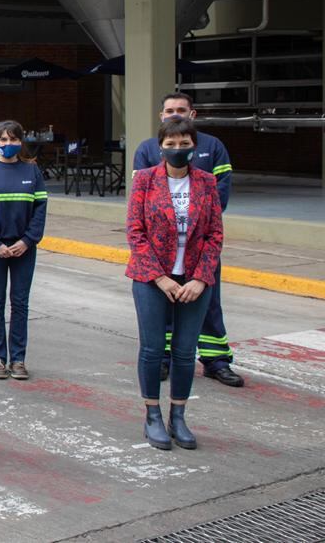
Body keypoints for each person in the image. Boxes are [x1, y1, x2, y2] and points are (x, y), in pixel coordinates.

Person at [132, 92, 241, 387]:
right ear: (161, 116)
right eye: (169, 110)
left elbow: (220, 192)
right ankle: (164, 359)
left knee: (209, 305)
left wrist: (197, 223)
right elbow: (139, 210)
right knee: (163, 309)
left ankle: (216, 361)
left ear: (192, 114)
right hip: (161, 254)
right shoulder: (147, 149)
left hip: (199, 247)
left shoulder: (213, 146)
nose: (175, 114)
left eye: (181, 109)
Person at [126, 118, 222, 450]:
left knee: (184, 351)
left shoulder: (206, 182)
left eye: (184, 143)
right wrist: (160, 277)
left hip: (195, 281)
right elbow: (135, 232)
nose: (177, 149)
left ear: (194, 145)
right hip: (151, 278)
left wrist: (200, 278)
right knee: (153, 349)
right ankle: (152, 415)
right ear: (161, 147)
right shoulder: (144, 180)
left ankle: (178, 416)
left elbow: (215, 235)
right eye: (171, 144)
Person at [0, 120, 47, 380]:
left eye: (13, 139)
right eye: (3, 139)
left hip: (24, 249)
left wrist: (27, 241)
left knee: (20, 303)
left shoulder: (32, 171)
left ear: (20, 142)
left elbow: (40, 210)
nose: (8, 144)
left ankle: (18, 359)